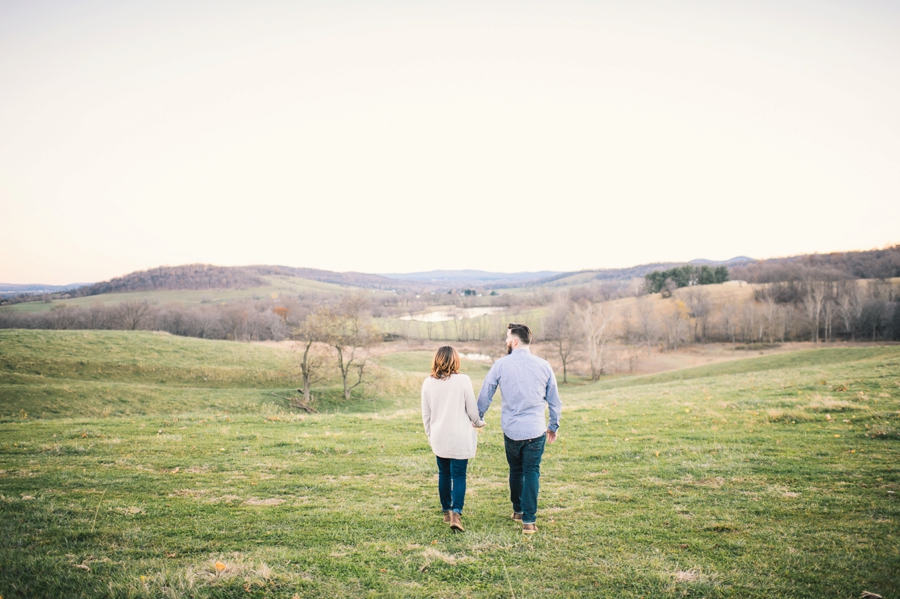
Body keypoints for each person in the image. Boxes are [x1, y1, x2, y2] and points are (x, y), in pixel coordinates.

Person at [477, 323, 561, 534]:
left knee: (516, 470)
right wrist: (553, 426)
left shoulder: (501, 365)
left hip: (512, 430)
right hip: (535, 429)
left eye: (507, 338)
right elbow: (554, 401)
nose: (506, 341)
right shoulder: (544, 365)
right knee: (532, 472)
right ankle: (529, 522)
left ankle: (518, 510)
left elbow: (486, 392)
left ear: (515, 341)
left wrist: (477, 416)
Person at [421, 345, 485, 532]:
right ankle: (456, 513)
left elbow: (426, 415)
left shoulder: (428, 383)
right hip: (459, 436)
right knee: (458, 475)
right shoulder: (463, 380)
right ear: (455, 360)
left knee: (444, 474)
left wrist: (430, 436)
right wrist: (479, 422)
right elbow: (472, 410)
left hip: (439, 436)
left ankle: (446, 512)